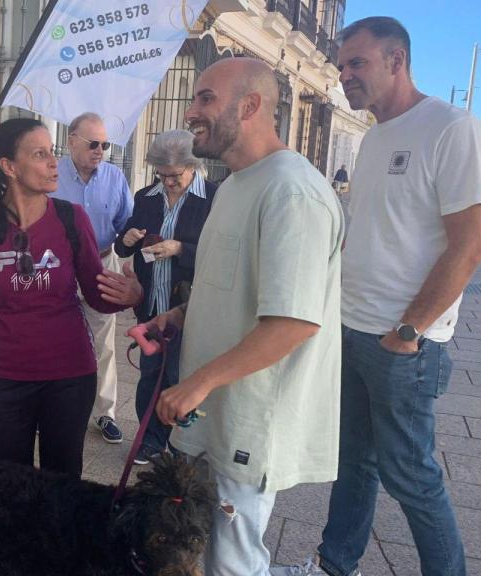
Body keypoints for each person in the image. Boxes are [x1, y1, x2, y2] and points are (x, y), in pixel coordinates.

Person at [277, 17, 481, 576]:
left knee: (411, 476)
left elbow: (468, 249)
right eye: (342, 65)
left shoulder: (452, 128)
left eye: (358, 63)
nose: (345, 74)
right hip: (350, 329)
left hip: (402, 343)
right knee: (353, 464)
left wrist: (408, 332)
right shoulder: (374, 136)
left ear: (397, 61)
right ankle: (334, 563)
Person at [147, 57, 345, 576]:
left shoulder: (292, 192)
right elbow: (238, 291)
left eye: (206, 98)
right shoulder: (235, 184)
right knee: (203, 556)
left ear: (251, 105)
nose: (191, 111)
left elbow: (294, 322)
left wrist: (199, 383)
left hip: (249, 424)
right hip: (212, 416)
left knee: (232, 563)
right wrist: (179, 315)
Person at [0, 118, 142, 479]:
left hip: (70, 374)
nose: (54, 163)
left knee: (63, 485)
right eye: (40, 155)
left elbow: (97, 296)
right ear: (9, 166)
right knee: (8, 485)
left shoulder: (72, 220)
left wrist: (131, 296)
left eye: (52, 153)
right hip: (6, 377)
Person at [114, 129, 217, 465]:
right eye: (163, 175)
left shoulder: (213, 198)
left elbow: (222, 254)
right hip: (151, 305)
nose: (169, 182)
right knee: (149, 375)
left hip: (189, 307)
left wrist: (180, 249)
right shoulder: (146, 196)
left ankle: (182, 444)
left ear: (193, 166)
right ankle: (149, 439)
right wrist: (127, 239)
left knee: (179, 377)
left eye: (176, 175)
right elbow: (121, 245)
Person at [52, 112, 134, 444]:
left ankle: (105, 413)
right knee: (57, 339)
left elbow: (126, 224)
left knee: (103, 342)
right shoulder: (52, 174)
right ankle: (58, 406)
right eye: (93, 144)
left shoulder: (115, 178)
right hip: (58, 267)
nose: (100, 150)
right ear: (72, 141)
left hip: (101, 264)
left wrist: (131, 239)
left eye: (105, 144)